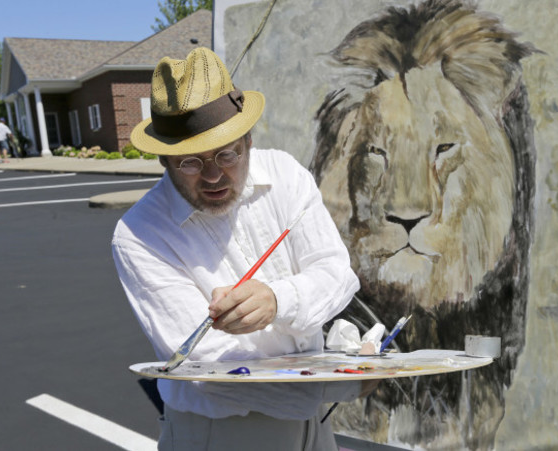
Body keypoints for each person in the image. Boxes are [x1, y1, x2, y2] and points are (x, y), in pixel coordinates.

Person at [112, 47, 374, 451]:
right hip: (220, 433)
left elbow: (336, 273)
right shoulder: (139, 234)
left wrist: (277, 299)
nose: (214, 175)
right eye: (191, 163)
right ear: (164, 158)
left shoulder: (285, 174)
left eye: (227, 153)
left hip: (315, 426)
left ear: (249, 137)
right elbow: (207, 366)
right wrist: (335, 383)